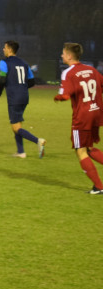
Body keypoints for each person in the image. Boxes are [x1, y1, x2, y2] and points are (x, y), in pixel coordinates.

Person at [53, 42, 103, 194]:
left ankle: (99, 187)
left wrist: (59, 97)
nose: (61, 55)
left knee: (80, 151)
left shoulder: (69, 73)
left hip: (82, 116)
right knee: (88, 148)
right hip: (96, 112)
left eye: (63, 53)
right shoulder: (92, 70)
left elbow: (66, 95)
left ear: (69, 55)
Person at [0, 40, 46, 158]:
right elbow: (32, 81)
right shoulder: (24, 63)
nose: (3, 49)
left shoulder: (4, 62)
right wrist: (22, 87)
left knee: (15, 127)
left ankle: (38, 141)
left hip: (14, 97)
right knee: (17, 124)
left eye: (4, 47)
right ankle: (21, 152)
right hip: (24, 96)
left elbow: (2, 79)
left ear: (9, 49)